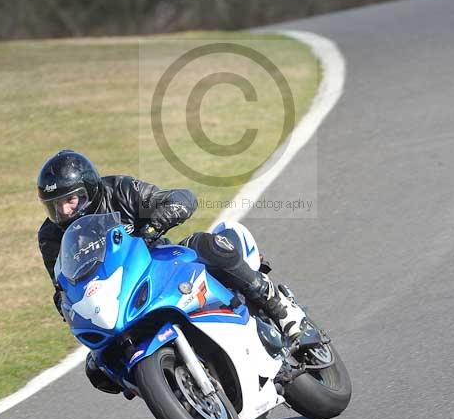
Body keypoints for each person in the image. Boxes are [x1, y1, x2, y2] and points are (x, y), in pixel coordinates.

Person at [37, 149, 307, 395]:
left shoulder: (119, 190)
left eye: (70, 199)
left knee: (207, 244)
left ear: (90, 189)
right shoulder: (51, 236)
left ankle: (279, 307)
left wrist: (157, 223)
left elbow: (180, 198)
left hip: (160, 266)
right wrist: (66, 305)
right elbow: (62, 283)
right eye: (55, 205)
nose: (64, 211)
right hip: (114, 296)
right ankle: (172, 392)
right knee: (99, 368)